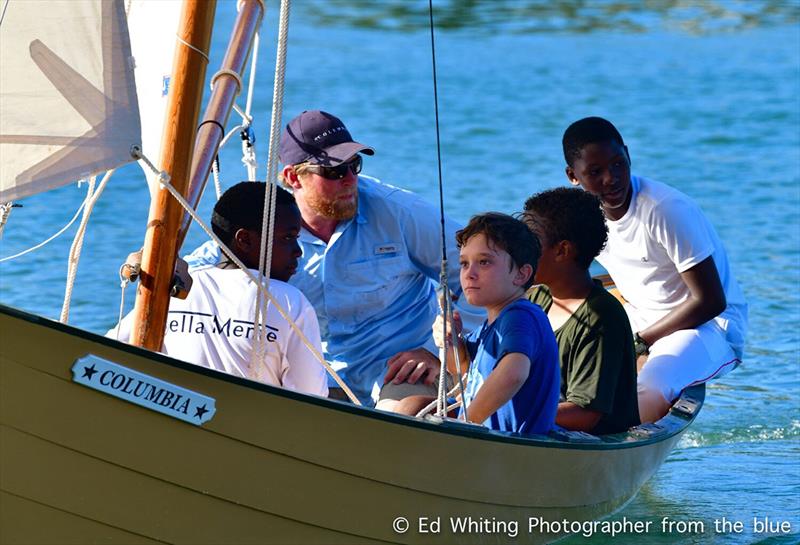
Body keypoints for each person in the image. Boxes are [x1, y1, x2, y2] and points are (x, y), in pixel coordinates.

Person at [186, 110, 480, 405]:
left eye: (355, 165)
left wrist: (436, 351)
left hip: (404, 374)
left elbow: (481, 273)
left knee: (396, 421)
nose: (350, 179)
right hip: (315, 378)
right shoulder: (266, 223)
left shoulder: (400, 212)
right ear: (292, 177)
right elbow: (194, 270)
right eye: (334, 171)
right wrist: (151, 262)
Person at [562, 117, 748, 422]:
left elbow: (712, 300)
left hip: (707, 325)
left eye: (618, 164)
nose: (611, 178)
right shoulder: (584, 213)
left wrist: (640, 342)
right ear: (573, 176)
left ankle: (607, 451)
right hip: (641, 317)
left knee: (649, 388)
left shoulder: (664, 209)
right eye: (595, 172)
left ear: (628, 154)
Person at [110, 182, 328, 397]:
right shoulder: (290, 302)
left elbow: (112, 351)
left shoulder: (178, 288)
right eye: (288, 238)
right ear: (244, 239)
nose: (298, 251)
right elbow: (310, 394)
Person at [428, 213, 560, 435]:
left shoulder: (520, 316)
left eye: (484, 262)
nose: (469, 274)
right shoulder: (490, 325)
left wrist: (465, 423)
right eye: (464, 263)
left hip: (518, 452)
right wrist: (450, 339)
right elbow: (460, 369)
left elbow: (513, 374)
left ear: (521, 274)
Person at [523, 188, 639, 435]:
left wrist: (512, 409)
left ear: (562, 251)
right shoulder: (535, 298)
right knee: (420, 404)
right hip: (539, 425)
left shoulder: (599, 317)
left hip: (584, 442)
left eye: (530, 240)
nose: (519, 249)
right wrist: (456, 345)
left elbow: (585, 415)